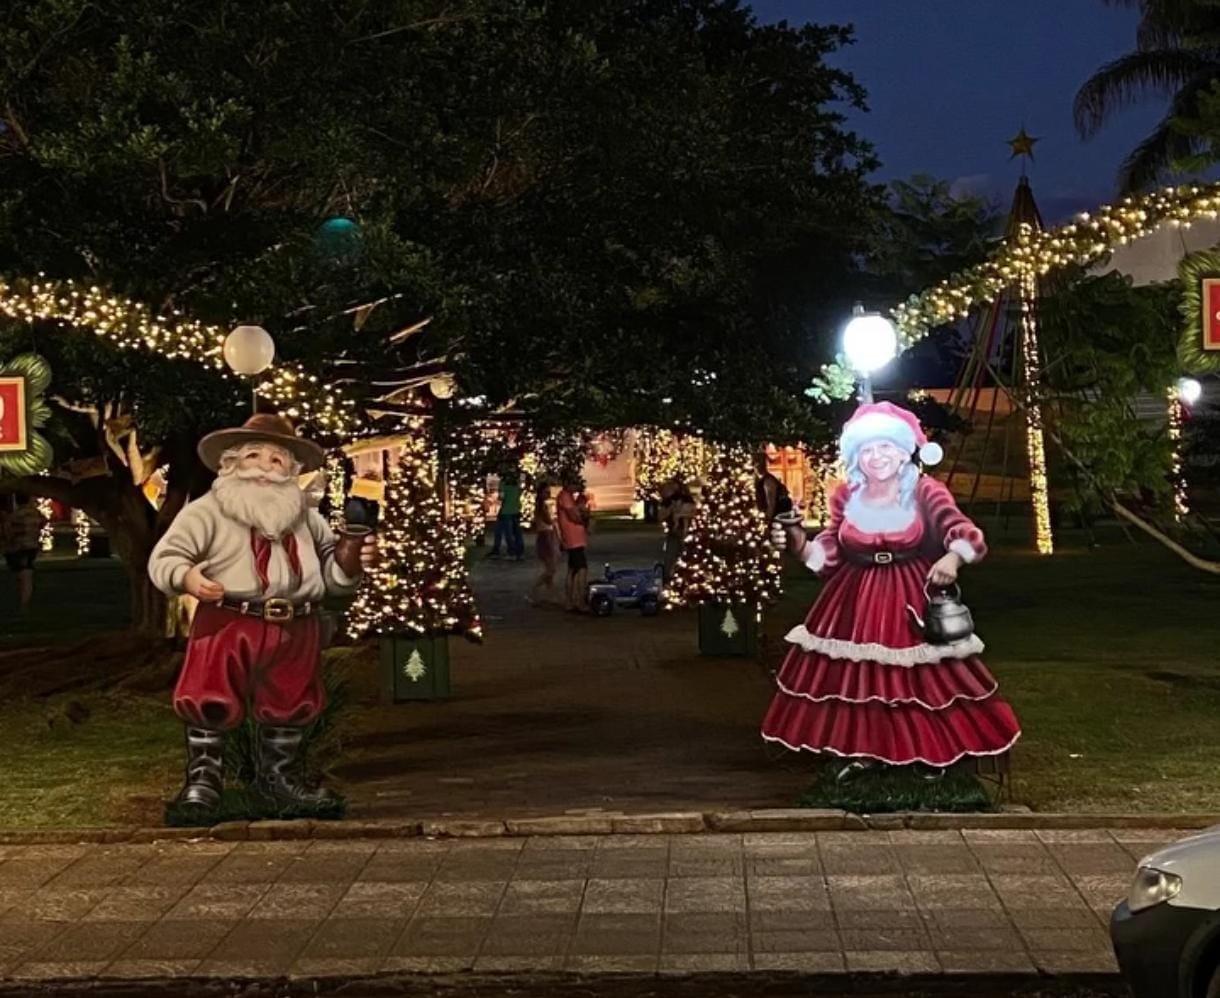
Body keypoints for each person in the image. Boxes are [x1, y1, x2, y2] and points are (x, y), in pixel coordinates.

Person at [761, 401, 1020, 783]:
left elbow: (960, 528)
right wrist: (799, 542)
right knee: (861, 680)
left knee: (920, 679)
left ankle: (931, 754)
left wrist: (952, 557)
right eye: (866, 449)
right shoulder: (846, 496)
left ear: (902, 451)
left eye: (884, 446)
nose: (876, 456)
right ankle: (867, 753)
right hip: (855, 597)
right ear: (856, 456)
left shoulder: (924, 490)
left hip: (909, 594)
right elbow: (830, 552)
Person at [149, 413, 379, 818]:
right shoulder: (208, 512)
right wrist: (186, 577)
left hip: (295, 624)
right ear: (231, 465)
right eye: (254, 456)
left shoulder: (307, 519)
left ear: (292, 471)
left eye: (277, 461)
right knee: (209, 698)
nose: (265, 468)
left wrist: (351, 562)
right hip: (228, 620)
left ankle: (279, 781)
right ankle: (203, 782)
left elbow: (333, 577)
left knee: (290, 699)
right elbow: (166, 557)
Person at [4, 494, 46, 613]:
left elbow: (8, 530)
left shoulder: (15, 515)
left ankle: (23, 601)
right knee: (26, 573)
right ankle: (24, 600)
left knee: (23, 573)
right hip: (31, 545)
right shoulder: (35, 513)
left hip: (19, 546)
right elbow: (43, 522)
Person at [555, 473, 590, 612]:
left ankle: (570, 601)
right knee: (582, 569)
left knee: (573, 569)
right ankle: (579, 600)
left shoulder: (568, 497)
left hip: (574, 538)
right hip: (573, 538)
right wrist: (584, 518)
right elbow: (574, 516)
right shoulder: (565, 497)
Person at [528, 481, 560, 605]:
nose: (548, 494)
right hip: (545, 535)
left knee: (550, 569)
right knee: (550, 569)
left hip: (545, 534)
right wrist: (554, 519)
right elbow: (548, 520)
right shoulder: (542, 506)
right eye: (546, 492)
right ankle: (533, 592)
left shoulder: (541, 505)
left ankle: (551, 596)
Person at [659, 477, 696, 580]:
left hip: (683, 532)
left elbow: (690, 512)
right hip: (674, 533)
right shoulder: (668, 502)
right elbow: (662, 515)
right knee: (671, 555)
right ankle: (670, 576)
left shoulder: (685, 500)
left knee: (682, 554)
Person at [489, 468, 525, 560]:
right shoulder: (517, 486)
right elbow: (523, 481)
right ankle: (519, 551)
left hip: (506, 511)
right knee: (517, 533)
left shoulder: (503, 486)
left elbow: (501, 498)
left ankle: (511, 552)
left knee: (508, 533)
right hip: (516, 510)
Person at [754, 451, 793, 522]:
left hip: (777, 514)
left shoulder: (768, 480)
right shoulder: (761, 480)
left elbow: (771, 501)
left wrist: (768, 517)